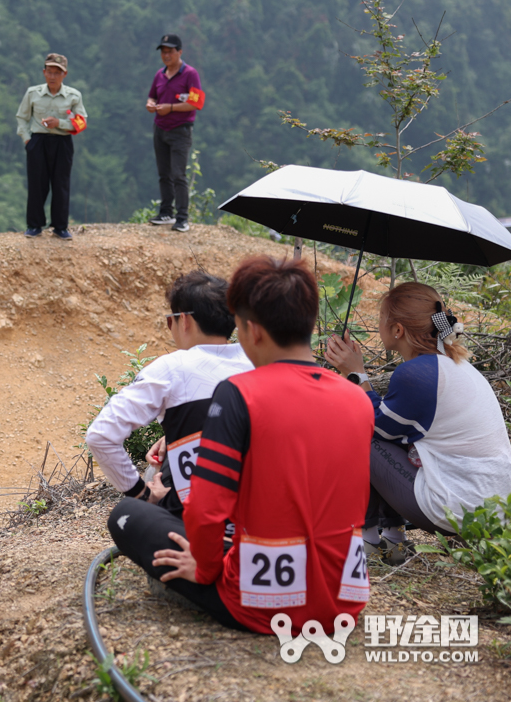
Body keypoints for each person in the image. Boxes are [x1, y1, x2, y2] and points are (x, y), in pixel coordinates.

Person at [108, 256, 373, 634]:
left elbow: (206, 507)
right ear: (309, 325)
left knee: (125, 516)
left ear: (252, 330)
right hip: (342, 602)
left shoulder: (240, 394)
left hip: (260, 606)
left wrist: (205, 567)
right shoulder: (357, 400)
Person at [325, 283, 511, 565]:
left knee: (358, 429)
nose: (378, 324)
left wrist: (356, 374)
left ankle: (369, 542)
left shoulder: (418, 373)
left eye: (381, 318)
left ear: (397, 330)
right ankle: (393, 539)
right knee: (389, 437)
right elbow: (396, 429)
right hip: (489, 509)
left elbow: (373, 424)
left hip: (457, 507)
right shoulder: (454, 366)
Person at [85, 272, 253, 517]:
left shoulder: (169, 369)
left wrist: (143, 494)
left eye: (170, 319)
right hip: (262, 509)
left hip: (201, 517)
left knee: (124, 516)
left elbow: (100, 435)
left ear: (184, 320)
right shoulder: (256, 358)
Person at [15, 53, 87, 240]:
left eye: (57, 72)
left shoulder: (73, 96)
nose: (53, 76)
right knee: (37, 184)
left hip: (62, 142)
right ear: (44, 72)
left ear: (65, 74)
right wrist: (27, 139)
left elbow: (81, 122)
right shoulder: (33, 93)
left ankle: (60, 227)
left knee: (61, 184)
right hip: (38, 141)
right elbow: (22, 117)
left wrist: (60, 124)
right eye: (50, 71)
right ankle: (34, 225)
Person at [145, 35, 204, 233]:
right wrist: (151, 104)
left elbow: (197, 103)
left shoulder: (190, 74)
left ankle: (182, 218)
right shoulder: (159, 75)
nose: (166, 55)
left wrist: (170, 108)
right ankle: (165, 212)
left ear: (180, 52)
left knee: (179, 174)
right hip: (160, 128)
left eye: (170, 51)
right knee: (164, 173)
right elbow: (152, 95)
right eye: (163, 51)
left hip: (181, 130)